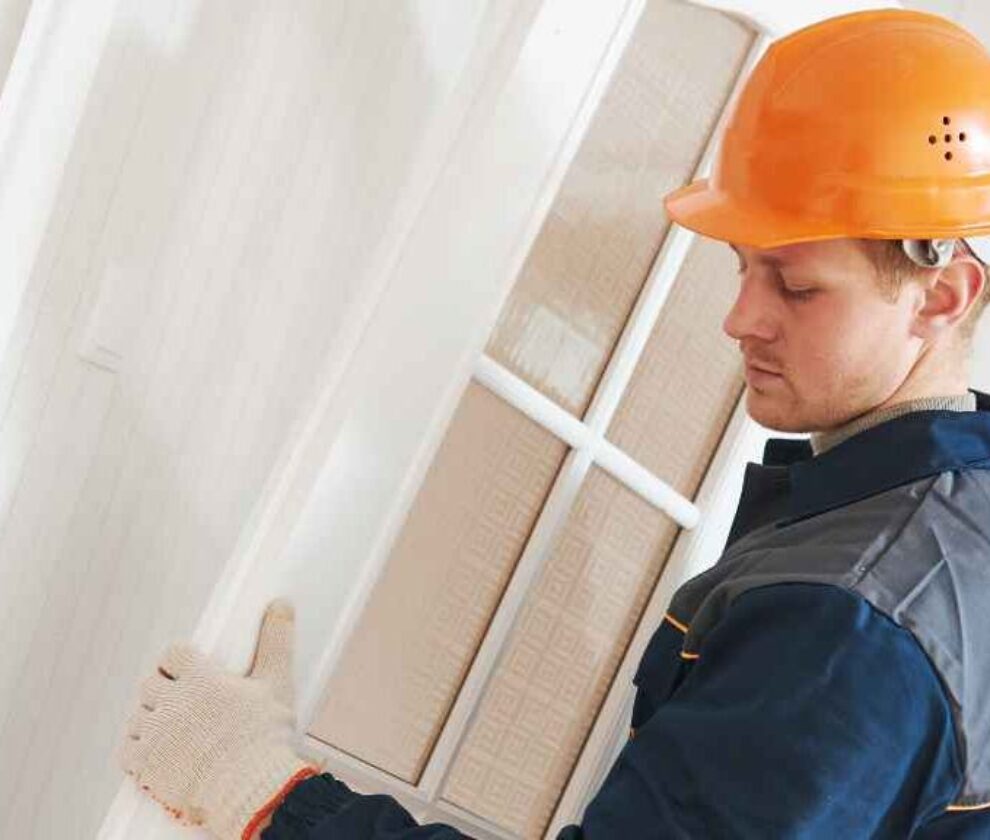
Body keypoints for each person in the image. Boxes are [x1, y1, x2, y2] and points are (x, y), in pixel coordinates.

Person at [121, 8, 990, 839]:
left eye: (796, 287)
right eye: (742, 268)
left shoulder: (847, 626)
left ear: (942, 296)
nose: (741, 320)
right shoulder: (946, 520)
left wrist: (262, 794)